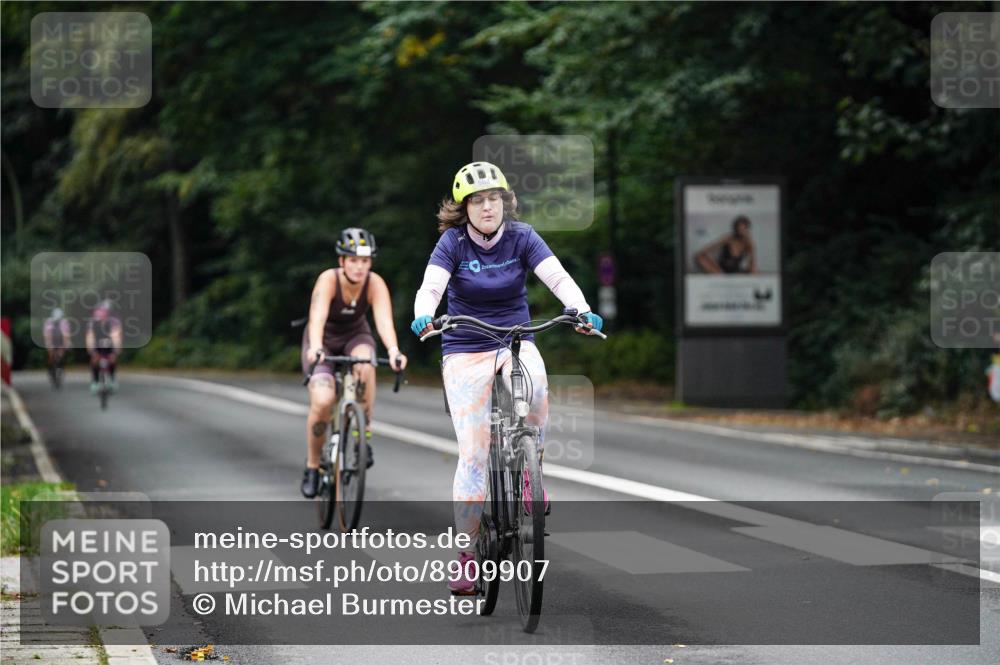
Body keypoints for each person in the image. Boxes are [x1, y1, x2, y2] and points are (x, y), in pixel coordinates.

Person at [410, 161, 602, 595]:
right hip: (464, 344)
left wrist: (581, 309)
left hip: (514, 337)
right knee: (474, 455)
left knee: (536, 392)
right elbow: (431, 287)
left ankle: (532, 473)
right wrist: (424, 315)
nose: (487, 207)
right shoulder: (452, 244)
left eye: (493, 198)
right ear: (464, 208)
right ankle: (465, 556)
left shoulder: (522, 236)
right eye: (477, 201)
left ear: (505, 202)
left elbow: (557, 277)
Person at [300, 227, 408, 499]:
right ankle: (313, 466)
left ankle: (363, 437)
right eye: (354, 260)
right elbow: (317, 317)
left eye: (365, 261)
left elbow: (383, 321)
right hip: (322, 340)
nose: (360, 267)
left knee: (366, 364)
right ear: (342, 261)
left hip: (355, 336)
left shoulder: (374, 283)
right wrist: (315, 347)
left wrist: (394, 350)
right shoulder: (328, 280)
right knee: (323, 401)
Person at [86, 299, 123, 393]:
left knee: (112, 359)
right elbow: (90, 336)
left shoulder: (114, 321)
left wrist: (116, 350)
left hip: (110, 342)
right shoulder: (93, 321)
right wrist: (91, 350)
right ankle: (95, 381)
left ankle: (112, 378)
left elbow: (116, 336)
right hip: (97, 342)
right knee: (94, 360)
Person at [43, 308, 71, 378]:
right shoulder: (49, 322)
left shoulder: (64, 322)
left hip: (60, 340)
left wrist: (66, 344)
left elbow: (66, 335)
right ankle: (50, 368)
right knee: (51, 354)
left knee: (61, 353)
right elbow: (47, 335)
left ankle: (61, 366)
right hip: (52, 339)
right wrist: (49, 344)